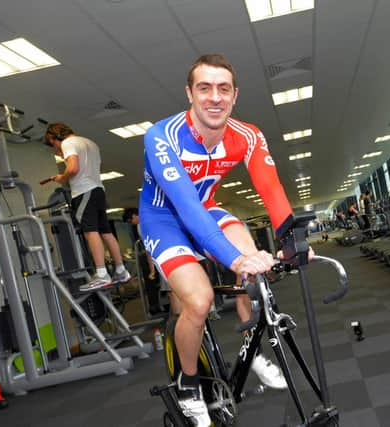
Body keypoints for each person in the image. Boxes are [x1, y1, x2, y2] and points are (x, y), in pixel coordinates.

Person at [139, 54, 312, 426]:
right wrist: (232, 259)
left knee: (254, 264)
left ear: (235, 96)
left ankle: (253, 351)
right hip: (165, 220)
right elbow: (185, 207)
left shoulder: (247, 135)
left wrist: (292, 240)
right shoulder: (161, 136)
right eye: (204, 88)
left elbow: (271, 189)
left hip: (207, 208)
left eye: (223, 89)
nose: (214, 97)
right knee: (199, 302)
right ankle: (187, 386)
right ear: (190, 93)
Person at [45, 123, 132, 292]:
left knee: (90, 231)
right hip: (98, 190)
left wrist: (62, 177)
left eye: (52, 143)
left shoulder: (68, 143)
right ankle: (121, 270)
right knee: (106, 232)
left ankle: (101, 274)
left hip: (83, 191)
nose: (54, 147)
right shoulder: (90, 143)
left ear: (56, 136)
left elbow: (74, 168)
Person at [123, 207, 163, 316]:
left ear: (135, 216)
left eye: (131, 220)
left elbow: (149, 249)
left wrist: (152, 270)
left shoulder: (143, 225)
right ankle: (156, 306)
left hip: (160, 254)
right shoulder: (142, 225)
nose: (131, 223)